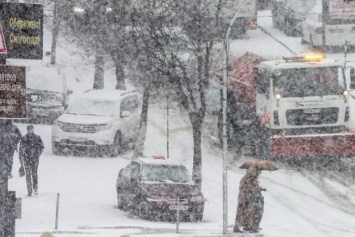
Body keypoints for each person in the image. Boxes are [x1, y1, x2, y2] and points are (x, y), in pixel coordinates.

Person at [233, 166, 265, 233]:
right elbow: (249, 187)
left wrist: (260, 188)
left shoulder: (251, 179)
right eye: (257, 172)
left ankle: (249, 225)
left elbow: (253, 187)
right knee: (242, 212)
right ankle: (239, 226)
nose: (258, 174)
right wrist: (257, 188)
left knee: (247, 212)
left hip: (247, 197)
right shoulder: (248, 178)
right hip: (245, 197)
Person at [19, 125, 44, 196]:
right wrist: (21, 161)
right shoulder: (24, 138)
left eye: (32, 129)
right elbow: (21, 149)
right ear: (27, 130)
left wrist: (37, 153)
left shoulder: (37, 137)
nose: (31, 131)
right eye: (29, 129)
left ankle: (35, 188)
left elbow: (42, 147)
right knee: (28, 175)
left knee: (34, 174)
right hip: (27, 159)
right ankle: (29, 190)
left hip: (35, 159)